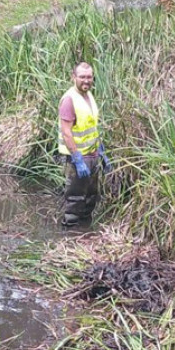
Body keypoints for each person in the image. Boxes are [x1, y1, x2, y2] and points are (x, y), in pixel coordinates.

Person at [58, 61, 112, 227]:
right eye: (82, 77)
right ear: (74, 77)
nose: (86, 80)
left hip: (93, 155)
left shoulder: (88, 96)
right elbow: (67, 132)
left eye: (89, 77)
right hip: (78, 158)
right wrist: (77, 158)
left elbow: (91, 126)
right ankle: (70, 236)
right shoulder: (69, 100)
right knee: (75, 198)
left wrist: (101, 151)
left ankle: (84, 234)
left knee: (90, 196)